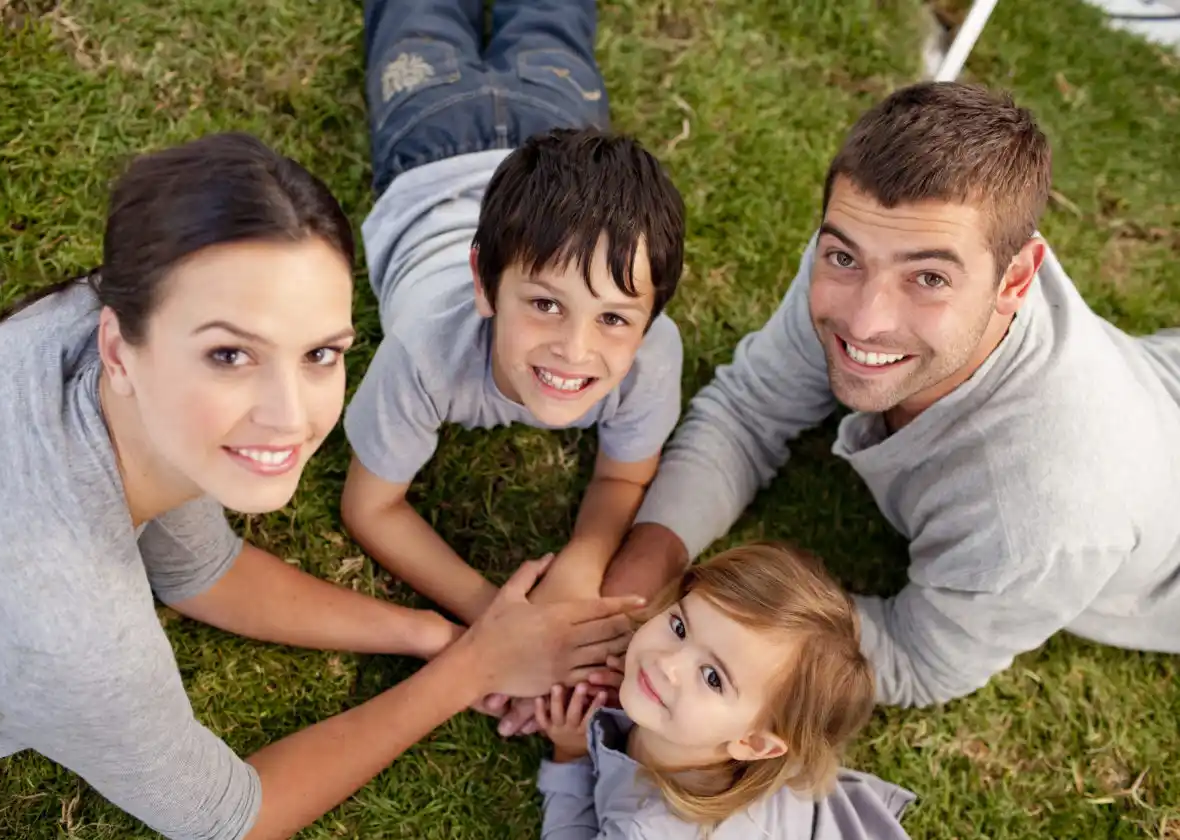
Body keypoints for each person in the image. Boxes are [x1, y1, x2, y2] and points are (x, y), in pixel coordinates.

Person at [0, 132, 646, 840]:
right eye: (230, 354)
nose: (289, 416)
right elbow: (230, 819)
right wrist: (470, 671)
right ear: (120, 347)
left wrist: (437, 635)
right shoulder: (70, 626)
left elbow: (197, 570)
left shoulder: (94, 342)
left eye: (320, 354)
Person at [600, 81, 1180, 709]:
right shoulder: (875, 237)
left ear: (1016, 278)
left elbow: (917, 659)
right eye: (842, 257)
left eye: (928, 278)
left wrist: (701, 624)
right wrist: (629, 591)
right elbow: (746, 411)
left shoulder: (1042, 516)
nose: (866, 319)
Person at [340, 0, 686, 734]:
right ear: (483, 283)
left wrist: (582, 564)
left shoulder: (652, 360)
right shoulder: (427, 350)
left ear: (649, 320)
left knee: (552, 20)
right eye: (545, 305)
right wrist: (493, 613)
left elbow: (625, 476)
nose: (576, 349)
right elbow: (369, 505)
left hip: (551, 136)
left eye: (615, 318)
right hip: (430, 142)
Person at [534, 543, 916, 839]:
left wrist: (571, 760)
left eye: (713, 677)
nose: (667, 664)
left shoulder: (650, 829)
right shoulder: (712, 734)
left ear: (753, 744)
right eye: (680, 628)